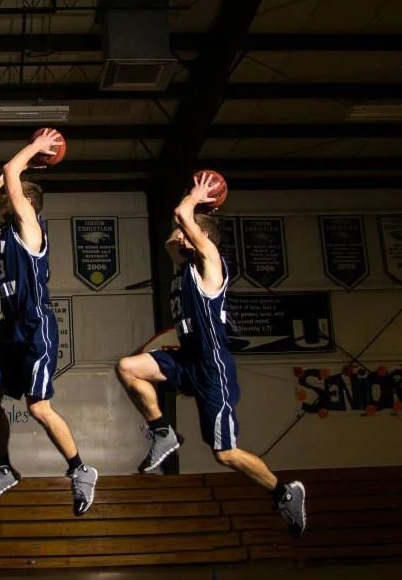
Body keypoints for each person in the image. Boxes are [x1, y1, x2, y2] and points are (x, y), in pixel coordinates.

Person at [113, 172, 307, 537]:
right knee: (128, 367)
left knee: (225, 454)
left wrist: (196, 196)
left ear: (195, 238)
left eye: (182, 230)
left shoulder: (211, 264)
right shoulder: (182, 265)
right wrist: (189, 211)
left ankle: (283, 492)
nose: (174, 231)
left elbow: (182, 217)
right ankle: (163, 432)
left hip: (212, 367)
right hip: (188, 358)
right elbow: (177, 230)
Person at [0, 130, 98, 516]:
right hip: (9, 325)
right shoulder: (4, 226)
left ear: (27, 201)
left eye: (14, 193)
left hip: (35, 324)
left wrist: (33, 151)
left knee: (39, 407)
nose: (4, 197)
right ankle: (2, 468)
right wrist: (17, 166)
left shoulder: (30, 224)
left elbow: (11, 173)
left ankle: (80, 470)